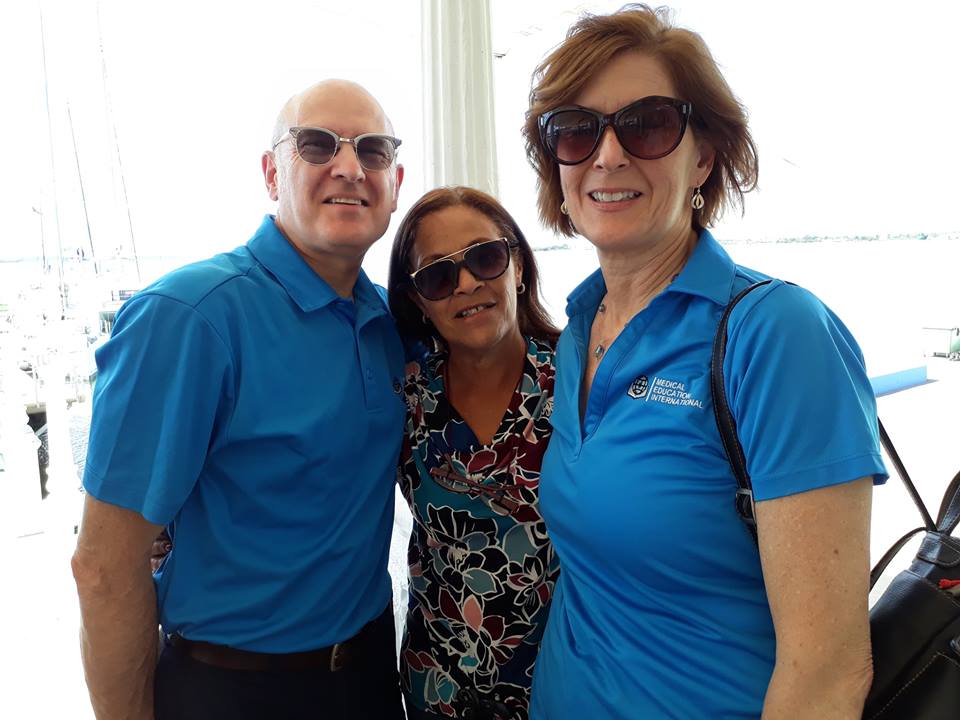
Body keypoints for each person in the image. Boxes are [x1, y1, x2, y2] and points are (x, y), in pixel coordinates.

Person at [521, 6, 887, 719]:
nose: (608, 155)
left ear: (705, 154)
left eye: (648, 123)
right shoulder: (577, 330)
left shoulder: (776, 335)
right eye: (575, 130)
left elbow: (829, 674)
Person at [71, 79, 407, 720]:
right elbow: (104, 566)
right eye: (316, 145)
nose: (347, 166)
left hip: (367, 677)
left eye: (371, 150)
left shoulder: (385, 322)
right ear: (271, 174)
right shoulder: (188, 318)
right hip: (235, 690)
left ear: (394, 180)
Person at [387, 187, 561, 720]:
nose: (466, 284)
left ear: (519, 267)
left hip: (563, 683)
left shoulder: (584, 385)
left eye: (485, 257)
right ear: (419, 301)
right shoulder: (406, 397)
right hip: (437, 684)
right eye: (438, 276)